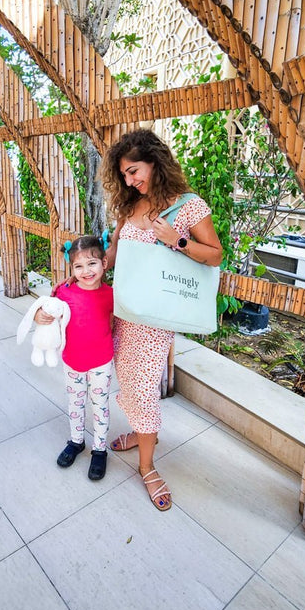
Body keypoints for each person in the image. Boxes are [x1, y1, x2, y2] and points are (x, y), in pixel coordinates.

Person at [101, 128, 223, 511]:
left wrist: (178, 240)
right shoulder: (130, 207)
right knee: (130, 378)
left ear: (155, 163)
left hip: (154, 319)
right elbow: (118, 250)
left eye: (134, 171)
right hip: (125, 309)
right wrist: (91, 269)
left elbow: (215, 254)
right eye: (124, 175)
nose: (129, 180)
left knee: (143, 387)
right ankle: (142, 433)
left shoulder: (188, 206)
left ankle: (148, 467)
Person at [34, 234, 114, 480]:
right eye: (78, 266)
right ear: (71, 269)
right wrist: (38, 314)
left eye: (92, 263)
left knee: (100, 406)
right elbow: (47, 310)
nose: (86, 271)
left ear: (104, 264)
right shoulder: (64, 291)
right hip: (72, 361)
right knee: (75, 403)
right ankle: (77, 441)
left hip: (101, 361)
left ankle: (99, 450)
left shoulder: (112, 295)